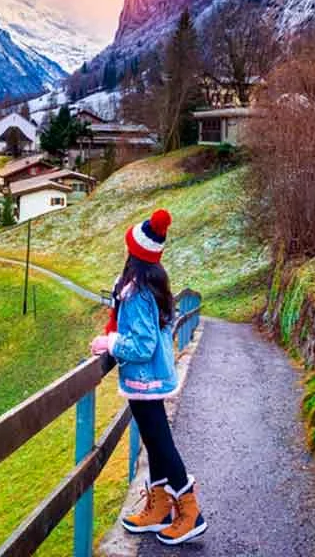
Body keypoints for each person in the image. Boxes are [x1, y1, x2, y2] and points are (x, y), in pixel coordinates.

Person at [89, 209, 206, 546]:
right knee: (155, 444)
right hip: (150, 378)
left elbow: (141, 345)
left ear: (134, 254)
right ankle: (158, 508)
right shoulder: (152, 282)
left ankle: (190, 513)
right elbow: (162, 329)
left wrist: (109, 342)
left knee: (161, 445)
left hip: (145, 378)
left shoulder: (138, 293)